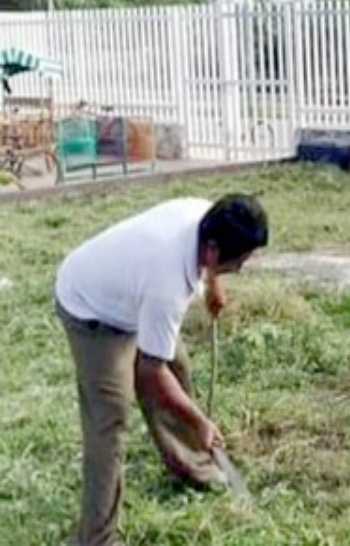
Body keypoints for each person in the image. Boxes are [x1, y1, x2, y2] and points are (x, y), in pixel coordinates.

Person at [55, 194, 269, 546]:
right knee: (109, 419)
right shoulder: (166, 287)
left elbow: (162, 366)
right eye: (238, 261)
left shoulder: (207, 215)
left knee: (178, 368)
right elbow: (150, 376)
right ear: (213, 249)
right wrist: (200, 420)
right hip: (90, 309)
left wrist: (214, 281)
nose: (241, 268)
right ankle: (98, 538)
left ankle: (192, 464)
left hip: (130, 292)